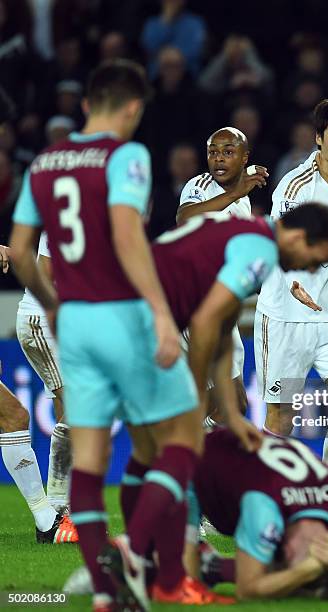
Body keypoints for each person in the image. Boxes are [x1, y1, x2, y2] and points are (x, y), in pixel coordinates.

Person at [8, 59, 228, 612]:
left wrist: (56, 311)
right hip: (107, 317)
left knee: (88, 445)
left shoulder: (46, 162)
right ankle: (155, 558)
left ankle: (105, 584)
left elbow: (21, 253)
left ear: (86, 105)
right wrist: (158, 309)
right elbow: (129, 238)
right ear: (132, 109)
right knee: (175, 430)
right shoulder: (125, 157)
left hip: (66, 320)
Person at [63, 204, 328, 601]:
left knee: (147, 452)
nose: (309, 271)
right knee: (183, 446)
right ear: (300, 238)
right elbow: (203, 323)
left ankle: (147, 574)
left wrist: (229, 413)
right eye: (314, 261)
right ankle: (134, 553)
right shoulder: (260, 250)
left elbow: (223, 324)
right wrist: (197, 400)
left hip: (104, 315)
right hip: (138, 324)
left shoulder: (239, 230)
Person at [254, 95, 328, 472]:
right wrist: (294, 281)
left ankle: (326, 490)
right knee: (281, 418)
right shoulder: (294, 187)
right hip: (285, 318)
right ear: (318, 138)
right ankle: (262, 497)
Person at [185, 428, 328, 600]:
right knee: (183, 580)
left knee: (279, 577)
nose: (284, 552)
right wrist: (304, 572)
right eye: (287, 558)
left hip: (240, 472)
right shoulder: (266, 506)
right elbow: (247, 590)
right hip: (191, 464)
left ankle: (212, 565)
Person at [176, 126, 267, 426]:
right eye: (213, 152)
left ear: (244, 158)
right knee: (232, 402)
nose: (218, 159)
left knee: (228, 405)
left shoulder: (243, 198)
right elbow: (185, 218)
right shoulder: (201, 185)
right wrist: (235, 192)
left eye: (228, 152)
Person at [0, 244, 76, 544]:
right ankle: (51, 518)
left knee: (14, 416)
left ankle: (50, 519)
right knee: (14, 416)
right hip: (41, 318)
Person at [15, 231, 71, 513]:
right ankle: (58, 509)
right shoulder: (67, 216)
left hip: (61, 325)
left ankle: (64, 509)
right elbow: (45, 275)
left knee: (71, 413)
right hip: (42, 320)